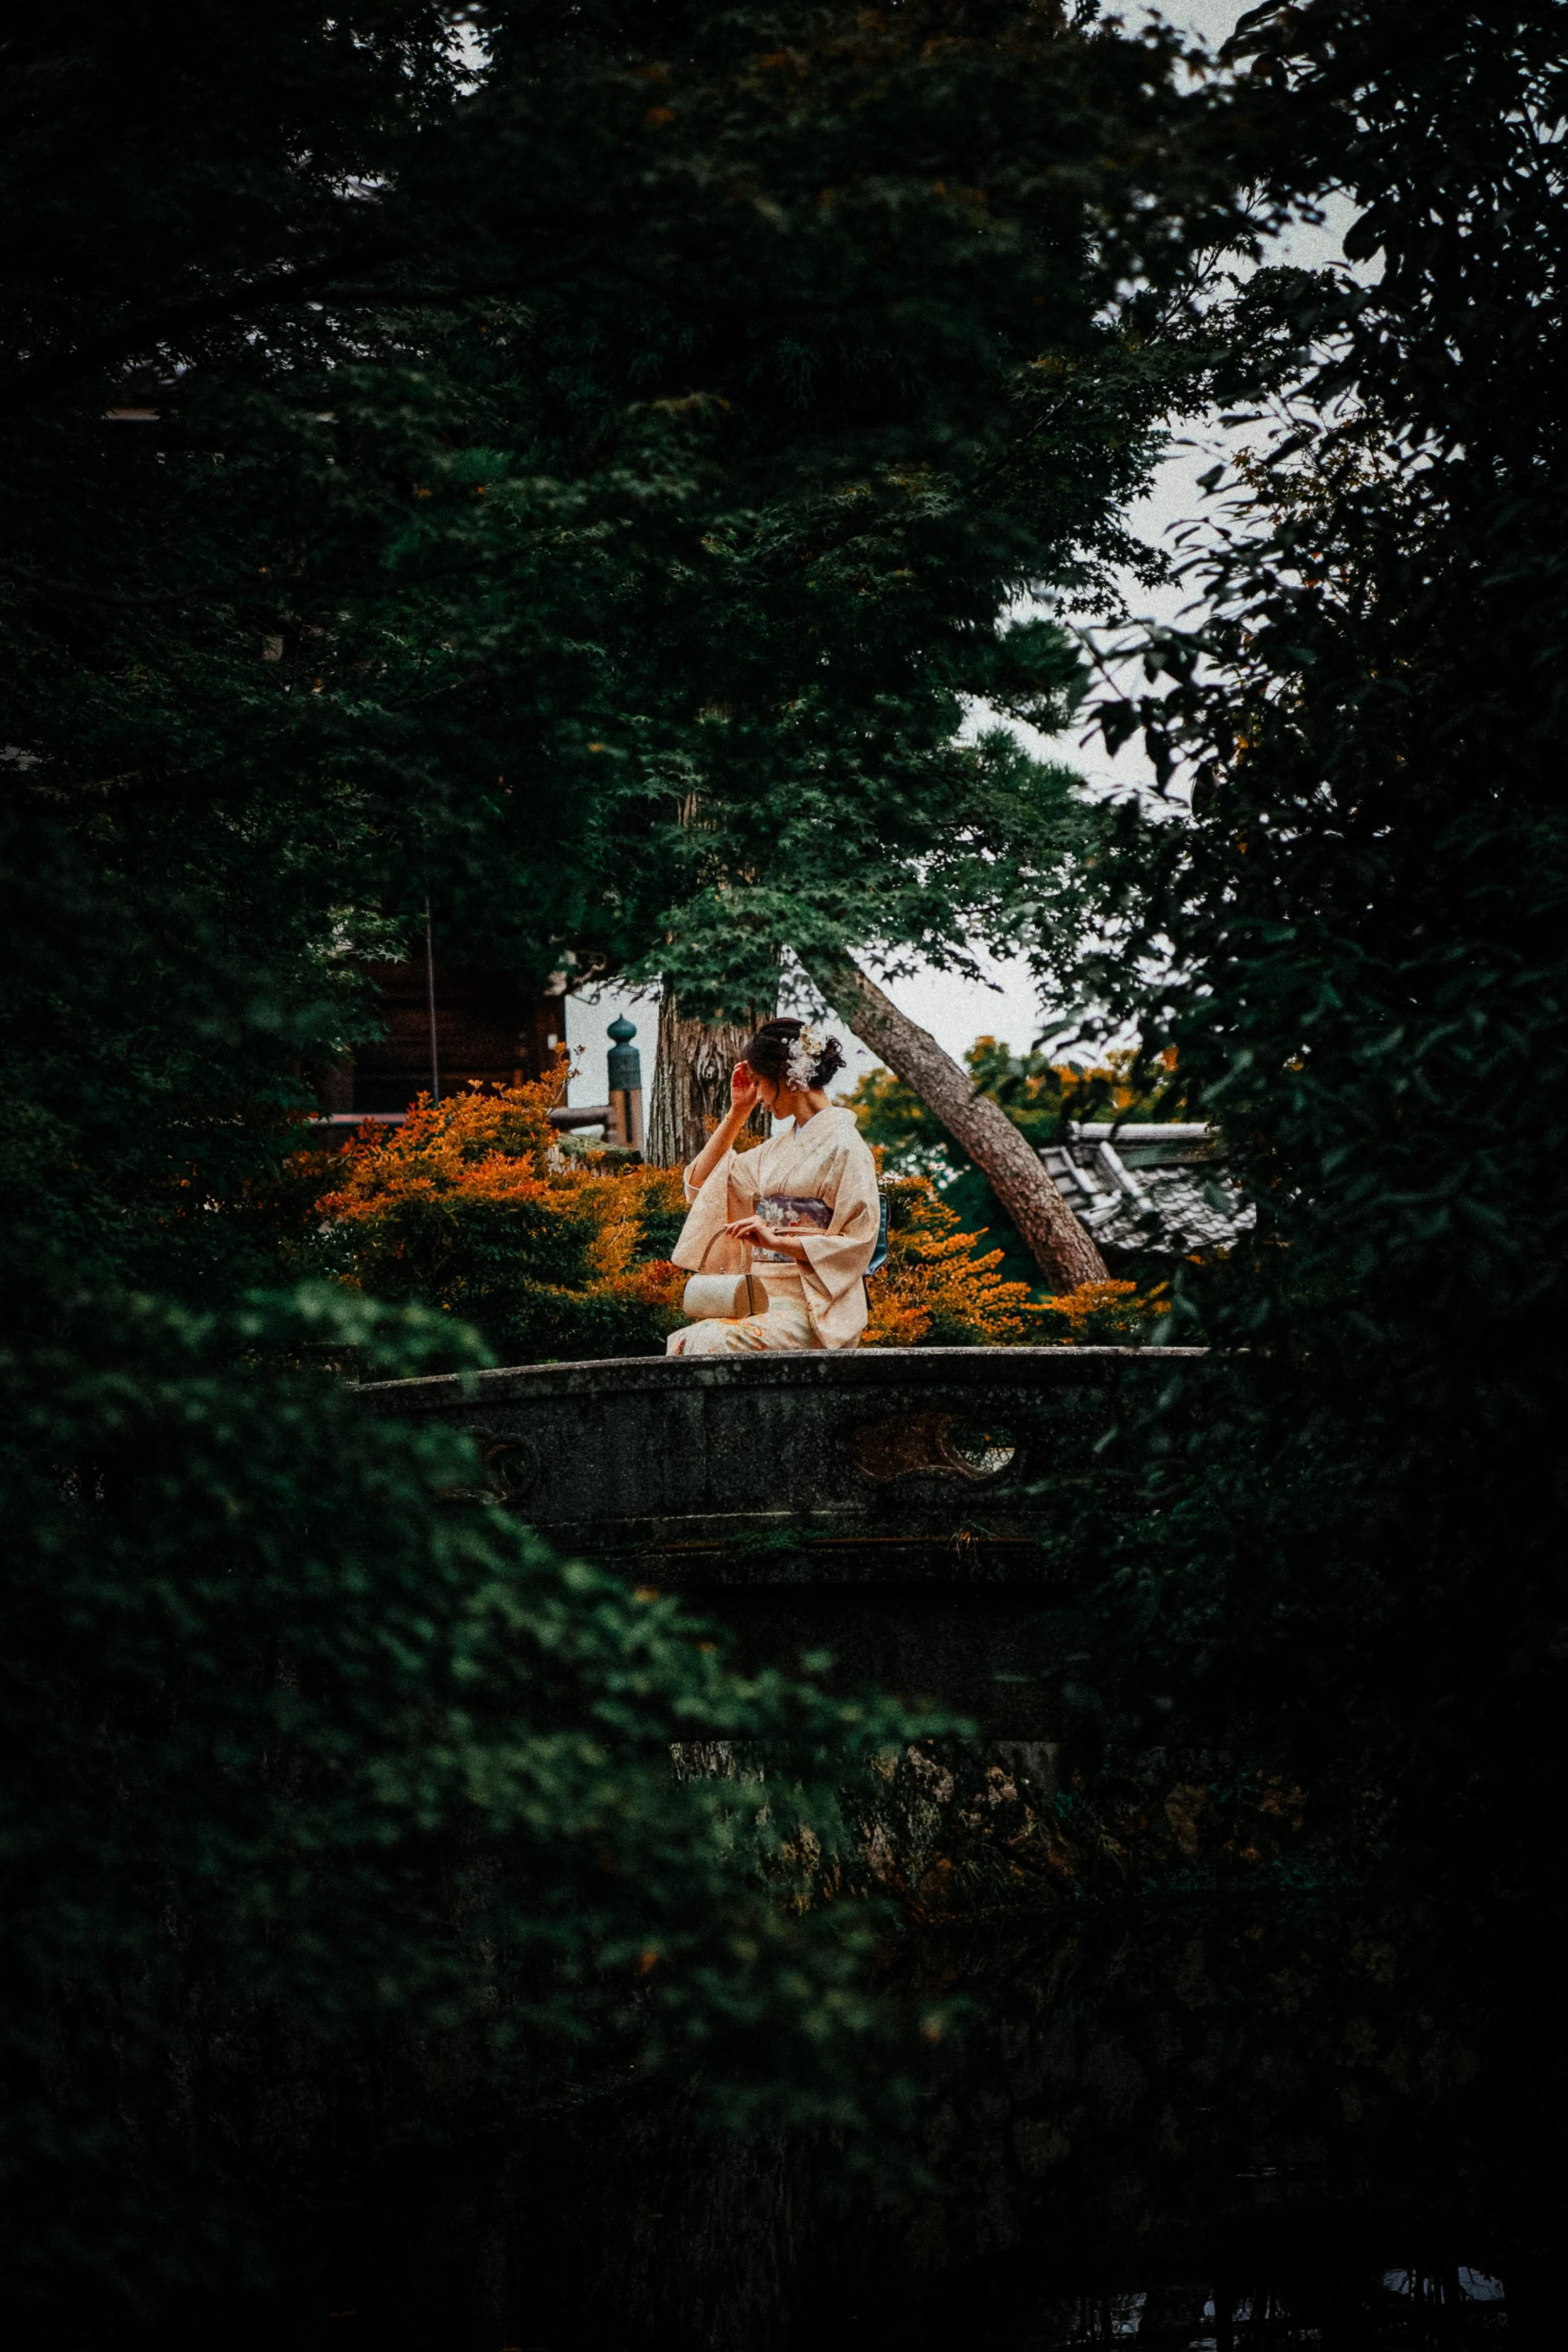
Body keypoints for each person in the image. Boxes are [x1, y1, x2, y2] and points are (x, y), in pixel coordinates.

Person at [665, 1017, 880, 1355]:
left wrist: (778, 1240)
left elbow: (858, 1243)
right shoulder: (776, 1151)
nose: (760, 1097)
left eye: (761, 1083)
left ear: (787, 1078)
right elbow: (702, 1186)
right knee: (686, 1339)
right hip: (761, 1297)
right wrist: (737, 1113)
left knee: (714, 1340)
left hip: (813, 1306)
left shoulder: (846, 1146)